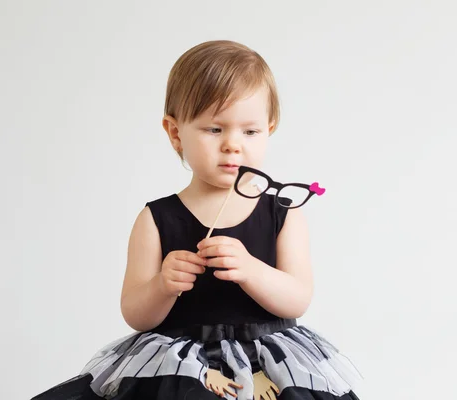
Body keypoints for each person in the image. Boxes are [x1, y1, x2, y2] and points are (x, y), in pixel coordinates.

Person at [32, 39, 361, 400]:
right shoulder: (156, 219)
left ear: (269, 129)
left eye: (250, 131)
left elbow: (297, 299)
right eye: (214, 129)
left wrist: (251, 270)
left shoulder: (283, 212)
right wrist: (163, 284)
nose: (233, 145)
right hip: (181, 368)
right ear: (175, 133)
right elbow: (136, 315)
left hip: (267, 366)